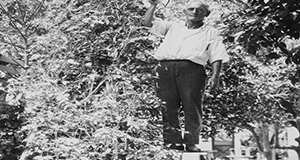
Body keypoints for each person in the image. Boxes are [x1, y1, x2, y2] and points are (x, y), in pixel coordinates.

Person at [143, 0, 230, 152]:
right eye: (191, 8)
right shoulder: (173, 27)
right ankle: (172, 141)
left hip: (192, 69)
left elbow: (217, 56)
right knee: (168, 105)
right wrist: (153, 6)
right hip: (166, 67)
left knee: (192, 106)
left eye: (199, 10)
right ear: (185, 11)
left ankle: (191, 142)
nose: (194, 12)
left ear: (206, 14)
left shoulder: (210, 32)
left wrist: (215, 76)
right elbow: (146, 23)